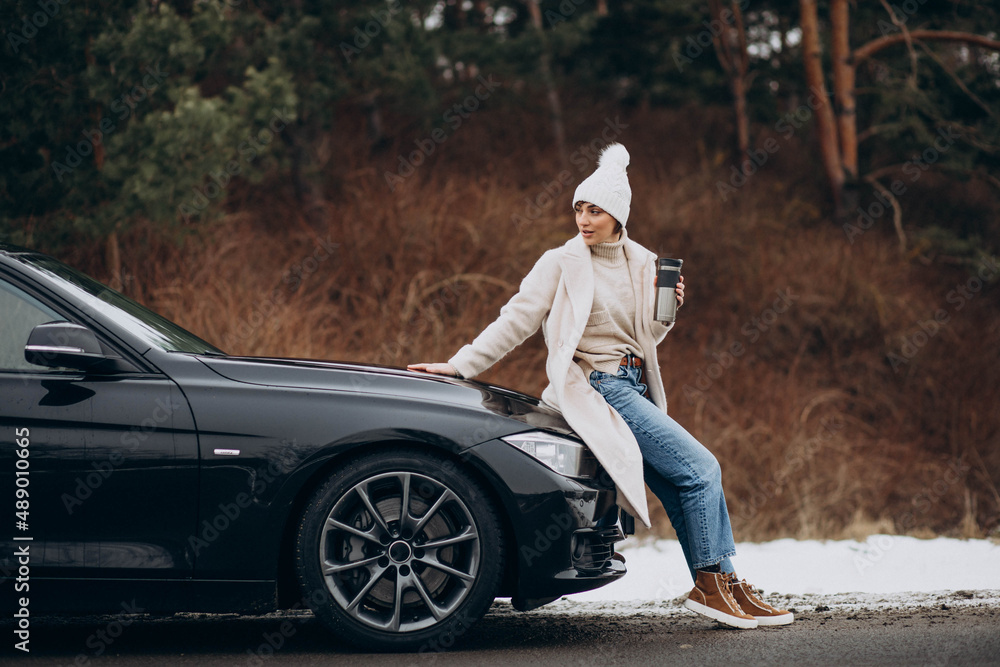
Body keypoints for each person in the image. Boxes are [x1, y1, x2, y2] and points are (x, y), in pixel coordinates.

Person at [408, 143, 792, 629]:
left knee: (681, 482)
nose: (584, 219)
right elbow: (515, 320)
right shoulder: (561, 262)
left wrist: (667, 313)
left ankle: (727, 582)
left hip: (636, 384)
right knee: (702, 468)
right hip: (600, 387)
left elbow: (644, 338)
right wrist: (460, 366)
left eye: (595, 210)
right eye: (579, 208)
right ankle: (711, 586)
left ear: (618, 215)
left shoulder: (643, 261)